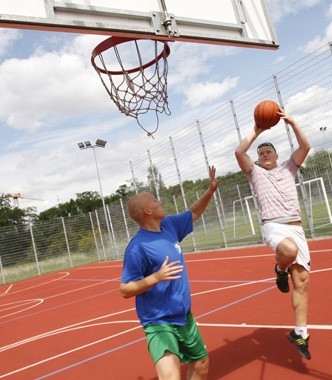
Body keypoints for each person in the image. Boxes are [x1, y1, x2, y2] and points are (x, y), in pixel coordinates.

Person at [120, 166, 219, 380]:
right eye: (155, 201)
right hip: (158, 322)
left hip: (184, 317)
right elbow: (125, 289)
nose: (160, 202)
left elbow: (193, 212)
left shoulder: (170, 225)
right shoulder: (137, 247)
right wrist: (156, 277)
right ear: (147, 211)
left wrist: (210, 191)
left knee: (201, 363)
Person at [234, 107, 313, 360]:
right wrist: (257, 131)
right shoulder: (254, 173)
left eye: (268, 152)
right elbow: (239, 152)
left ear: (277, 155)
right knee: (288, 251)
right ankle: (280, 270)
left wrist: (291, 122)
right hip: (273, 226)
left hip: (296, 227)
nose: (265, 155)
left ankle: (300, 333)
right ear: (257, 159)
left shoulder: (289, 168)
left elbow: (306, 145)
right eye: (261, 153)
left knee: (301, 283)